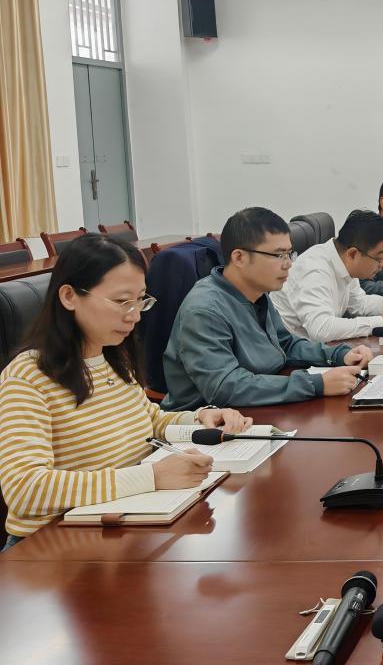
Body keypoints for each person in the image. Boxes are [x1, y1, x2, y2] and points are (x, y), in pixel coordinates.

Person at [0, 235, 251, 548]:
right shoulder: (28, 377)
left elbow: (149, 422)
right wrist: (152, 477)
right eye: (121, 301)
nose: (134, 315)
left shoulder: (111, 357)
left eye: (141, 300)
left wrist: (201, 419)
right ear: (69, 296)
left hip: (116, 529)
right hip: (52, 546)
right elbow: (24, 489)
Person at [162, 207, 373, 410]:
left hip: (256, 407)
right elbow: (225, 387)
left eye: (289, 254)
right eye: (278, 255)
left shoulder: (257, 292)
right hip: (208, 420)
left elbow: (285, 344)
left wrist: (340, 355)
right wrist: (315, 384)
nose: (288, 264)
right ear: (239, 257)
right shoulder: (204, 310)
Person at [273, 210, 383, 342]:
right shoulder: (315, 270)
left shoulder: (342, 261)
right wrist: (380, 321)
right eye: (379, 258)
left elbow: (360, 304)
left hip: (320, 351)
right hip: (291, 358)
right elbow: (321, 329)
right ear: (353, 254)